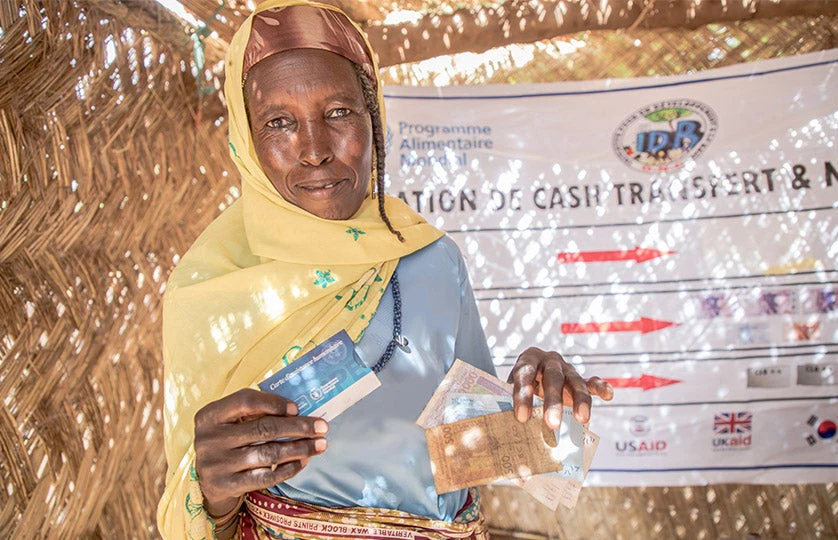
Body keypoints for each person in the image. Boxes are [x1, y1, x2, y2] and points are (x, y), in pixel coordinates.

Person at [156, 2, 613, 538]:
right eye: (279, 122)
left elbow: (473, 451)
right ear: (247, 142)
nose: (315, 151)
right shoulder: (212, 292)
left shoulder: (431, 258)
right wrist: (208, 491)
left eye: (338, 113)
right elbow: (195, 507)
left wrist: (537, 402)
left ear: (374, 120)